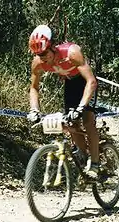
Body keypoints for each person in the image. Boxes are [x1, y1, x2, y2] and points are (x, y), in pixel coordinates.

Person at [27, 24, 99, 178]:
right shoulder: (38, 62)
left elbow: (91, 81)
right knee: (71, 123)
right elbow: (34, 88)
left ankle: (95, 163)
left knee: (87, 121)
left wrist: (81, 107)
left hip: (86, 83)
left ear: (52, 46)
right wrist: (34, 110)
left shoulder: (72, 53)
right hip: (71, 84)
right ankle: (83, 157)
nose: (43, 57)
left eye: (45, 52)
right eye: (38, 54)